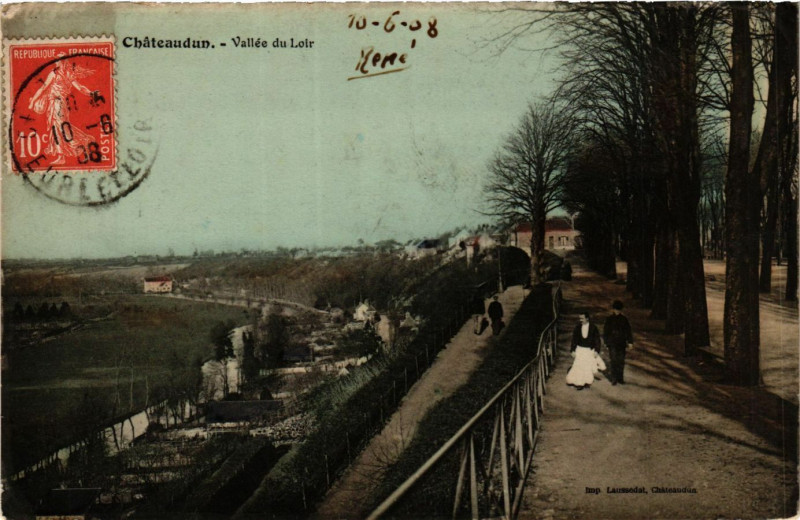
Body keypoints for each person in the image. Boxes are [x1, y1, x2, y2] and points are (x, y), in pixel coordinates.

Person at [566, 312, 603, 390]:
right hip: (580, 349)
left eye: (582, 318)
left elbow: (597, 340)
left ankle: (586, 382)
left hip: (589, 350)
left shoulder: (593, 328)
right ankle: (579, 383)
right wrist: (572, 350)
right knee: (578, 365)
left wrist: (597, 350)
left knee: (587, 366)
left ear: (587, 318)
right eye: (580, 318)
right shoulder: (577, 327)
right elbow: (574, 340)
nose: (581, 320)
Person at [603, 300, 634, 385]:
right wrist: (606, 342)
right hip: (612, 343)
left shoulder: (624, 319)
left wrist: (630, 342)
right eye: (616, 309)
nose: (617, 311)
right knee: (613, 360)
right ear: (613, 309)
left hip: (621, 343)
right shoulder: (609, 319)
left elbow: (628, 331)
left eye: (618, 310)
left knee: (621, 360)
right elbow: (606, 331)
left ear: (621, 310)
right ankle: (614, 378)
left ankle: (620, 378)